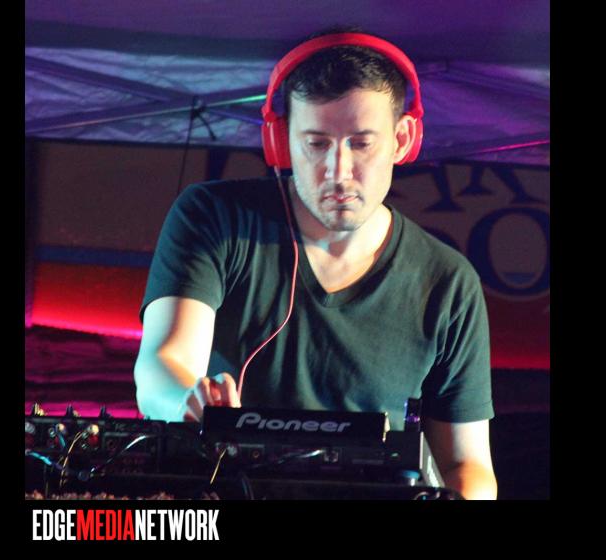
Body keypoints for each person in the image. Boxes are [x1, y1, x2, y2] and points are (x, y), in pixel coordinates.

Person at [134, 27, 497, 500]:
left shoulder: (447, 283)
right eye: (317, 143)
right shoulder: (214, 218)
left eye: (361, 144)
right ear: (281, 141)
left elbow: (466, 464)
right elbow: (162, 365)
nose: (338, 172)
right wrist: (185, 401)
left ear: (402, 139)